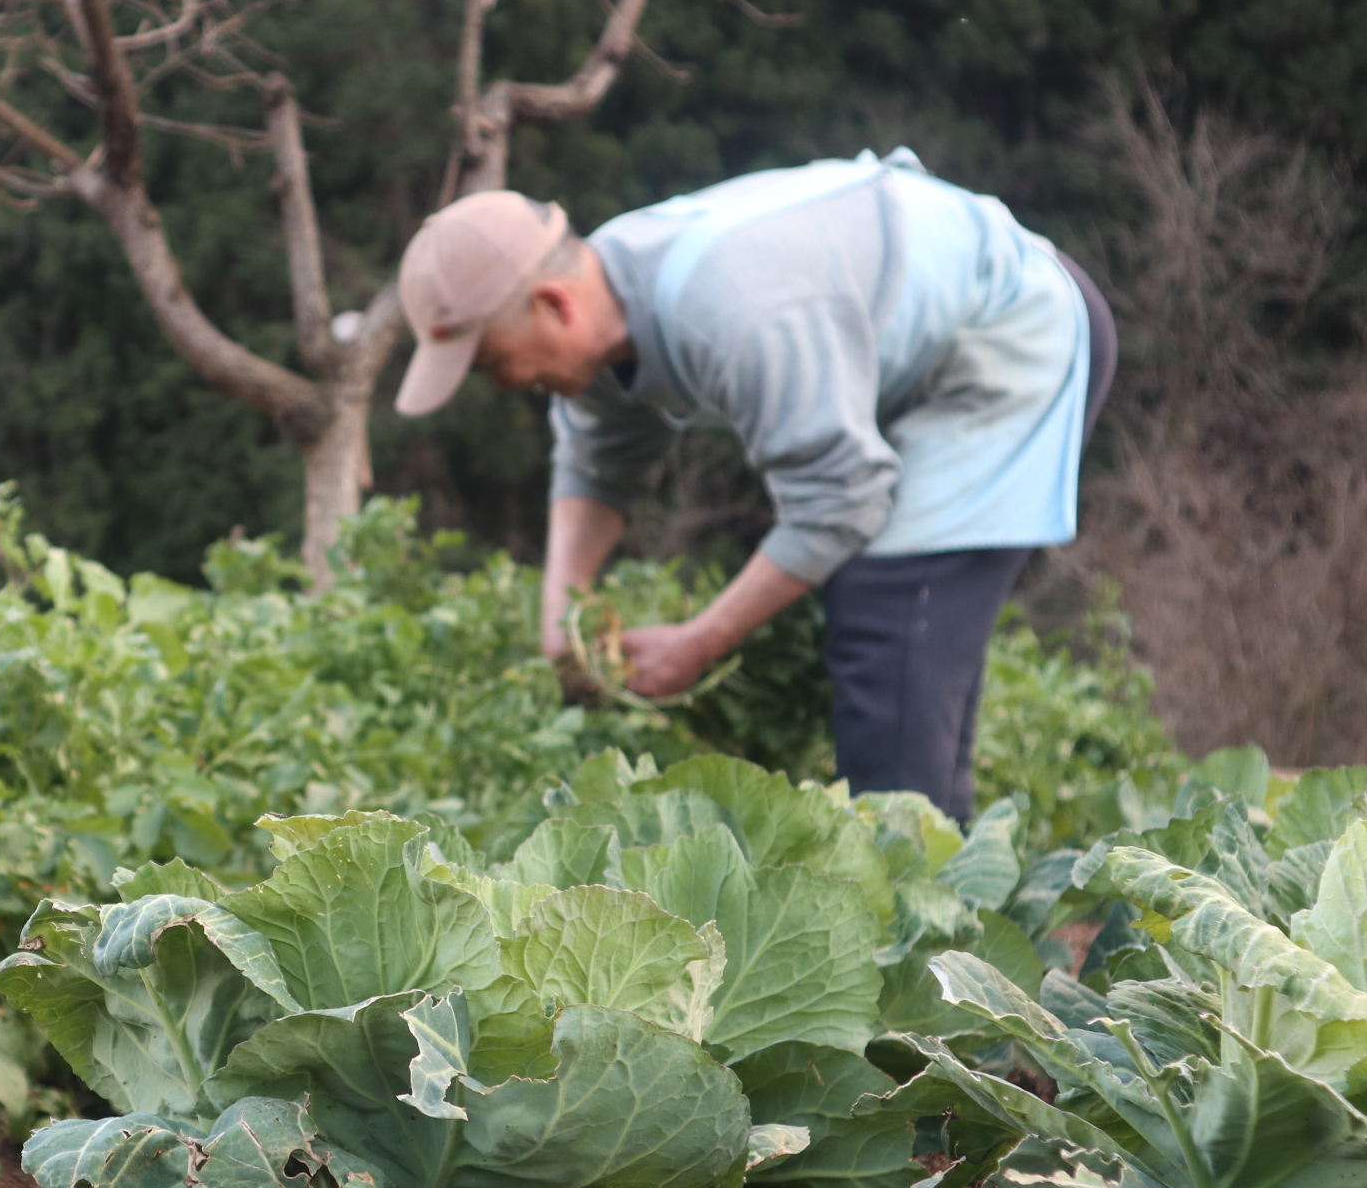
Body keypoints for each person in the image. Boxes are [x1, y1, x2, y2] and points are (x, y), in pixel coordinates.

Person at [390, 150, 1117, 824]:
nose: (507, 385)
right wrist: (562, 624)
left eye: (494, 363)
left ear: (554, 306)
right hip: (915, 356)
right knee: (906, 668)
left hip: (1008, 337)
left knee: (890, 619)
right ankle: (952, 895)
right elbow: (597, 462)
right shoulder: (603, 295)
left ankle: (929, 927)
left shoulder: (733, 311)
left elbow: (841, 501)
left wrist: (697, 644)